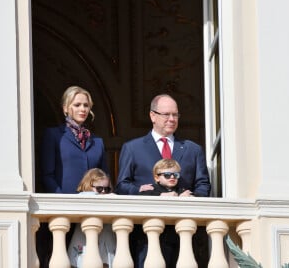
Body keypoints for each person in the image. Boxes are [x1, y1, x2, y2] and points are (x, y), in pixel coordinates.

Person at [115, 93, 211, 267]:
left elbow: (203, 185)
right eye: (166, 114)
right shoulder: (132, 148)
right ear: (153, 116)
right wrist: (141, 192)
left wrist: (192, 197)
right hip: (145, 233)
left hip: (183, 233)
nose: (172, 119)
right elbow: (122, 185)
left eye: (175, 115)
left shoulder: (193, 149)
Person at [37, 85, 109, 268]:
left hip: (92, 214)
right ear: (65, 108)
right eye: (77, 105)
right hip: (62, 212)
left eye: (86, 105)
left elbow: (105, 177)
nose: (83, 109)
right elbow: (47, 174)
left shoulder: (98, 142)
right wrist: (63, 203)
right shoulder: (53, 135)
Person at [139, 159, 194, 268]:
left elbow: (198, 197)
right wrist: (161, 196)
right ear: (156, 177)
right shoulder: (150, 189)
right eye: (167, 175)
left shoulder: (182, 191)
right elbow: (140, 198)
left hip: (174, 238)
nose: (172, 177)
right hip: (150, 240)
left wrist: (185, 197)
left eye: (176, 175)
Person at [68, 168, 116, 268]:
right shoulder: (82, 197)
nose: (103, 192)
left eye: (106, 189)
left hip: (106, 240)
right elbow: (83, 197)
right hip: (84, 240)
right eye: (99, 189)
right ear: (88, 186)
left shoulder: (109, 199)